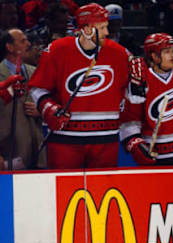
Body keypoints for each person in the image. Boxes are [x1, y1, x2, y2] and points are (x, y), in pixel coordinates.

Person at [28, 3, 133, 169]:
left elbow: (132, 94)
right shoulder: (56, 50)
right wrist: (49, 108)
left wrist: (139, 85)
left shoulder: (120, 53)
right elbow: (37, 87)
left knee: (102, 191)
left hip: (106, 139)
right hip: (65, 138)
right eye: (101, 27)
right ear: (86, 29)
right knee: (64, 191)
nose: (107, 32)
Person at [119, 33, 173, 165]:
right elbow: (130, 120)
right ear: (154, 56)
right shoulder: (141, 81)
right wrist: (136, 145)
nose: (172, 56)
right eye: (166, 52)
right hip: (158, 158)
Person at [0, 28, 46, 170]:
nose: (28, 44)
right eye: (23, 41)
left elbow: (51, 102)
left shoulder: (37, 72)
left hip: (38, 151)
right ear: (9, 47)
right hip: (9, 150)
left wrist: (41, 111)